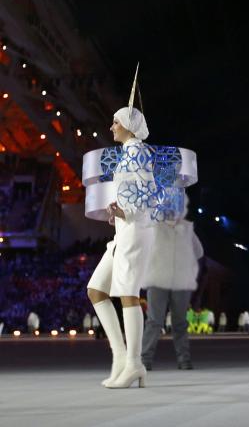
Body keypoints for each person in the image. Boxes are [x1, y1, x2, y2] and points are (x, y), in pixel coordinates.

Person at [86, 104, 161, 389]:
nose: (111, 127)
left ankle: (134, 363)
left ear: (129, 127)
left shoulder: (138, 152)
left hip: (136, 229)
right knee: (95, 289)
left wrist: (124, 211)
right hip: (125, 230)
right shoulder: (130, 153)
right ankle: (120, 356)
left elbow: (148, 194)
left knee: (128, 293)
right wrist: (119, 213)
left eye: (115, 122)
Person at [141, 202, 203, 371]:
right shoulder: (154, 227)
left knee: (179, 322)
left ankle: (184, 360)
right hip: (158, 279)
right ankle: (144, 359)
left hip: (180, 281)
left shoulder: (186, 229)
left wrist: (185, 262)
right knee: (155, 321)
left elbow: (199, 251)